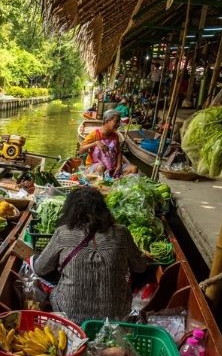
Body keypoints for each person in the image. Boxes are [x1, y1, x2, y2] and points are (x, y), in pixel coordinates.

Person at [32, 187, 148, 324]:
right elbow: (140, 267)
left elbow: (40, 268)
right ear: (103, 209)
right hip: (116, 316)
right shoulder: (122, 232)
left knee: (32, 263)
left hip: (71, 316)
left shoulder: (62, 233)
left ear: (70, 210)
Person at [77, 109, 138, 178]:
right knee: (101, 167)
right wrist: (95, 143)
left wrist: (119, 165)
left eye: (119, 122)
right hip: (95, 166)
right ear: (107, 121)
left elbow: (118, 152)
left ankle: (116, 180)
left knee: (134, 169)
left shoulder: (115, 135)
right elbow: (80, 150)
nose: (118, 124)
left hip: (112, 166)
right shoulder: (94, 135)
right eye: (116, 121)